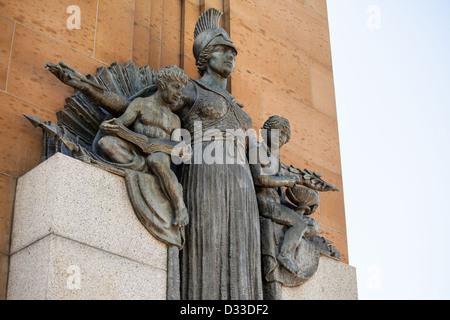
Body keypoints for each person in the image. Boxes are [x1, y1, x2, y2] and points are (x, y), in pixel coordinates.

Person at [98, 65, 190, 227]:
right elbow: (121, 124)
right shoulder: (140, 104)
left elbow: (179, 147)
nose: (179, 93)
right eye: (176, 87)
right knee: (106, 143)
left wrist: (167, 147)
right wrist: (110, 126)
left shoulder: (174, 119)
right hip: (135, 149)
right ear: (163, 84)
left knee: (156, 160)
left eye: (181, 90)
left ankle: (180, 207)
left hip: (160, 155)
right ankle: (143, 167)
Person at [251, 116, 320, 275]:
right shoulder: (256, 150)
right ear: (264, 131)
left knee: (310, 225)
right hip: (264, 202)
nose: (280, 137)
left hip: (275, 203)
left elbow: (280, 196)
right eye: (277, 132)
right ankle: (285, 255)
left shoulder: (275, 160)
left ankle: (289, 245)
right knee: (300, 224)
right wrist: (285, 180)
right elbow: (258, 178)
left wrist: (295, 207)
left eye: (284, 135)